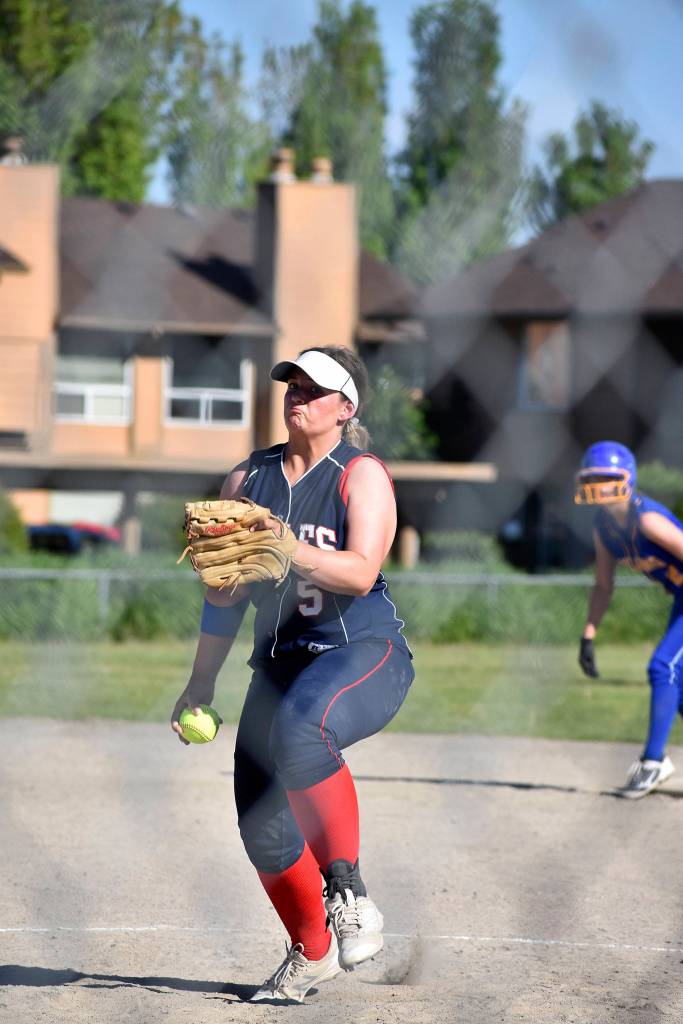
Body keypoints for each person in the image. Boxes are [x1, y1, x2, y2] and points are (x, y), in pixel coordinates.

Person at [172, 345, 414, 1002]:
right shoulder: (246, 479)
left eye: (315, 388)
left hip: (359, 653)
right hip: (276, 665)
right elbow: (223, 596)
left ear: (345, 408)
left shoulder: (358, 475)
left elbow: (360, 572)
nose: (297, 394)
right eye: (292, 384)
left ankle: (350, 896)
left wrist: (283, 544)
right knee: (261, 823)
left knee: (305, 729)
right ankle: (312, 953)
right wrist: (200, 684)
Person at [575, 440, 683, 799]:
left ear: (627, 479)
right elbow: (603, 585)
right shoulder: (604, 527)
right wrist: (588, 635)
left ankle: (653, 763)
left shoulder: (647, 520)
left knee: (662, 668)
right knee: (676, 689)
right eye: (592, 478)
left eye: (606, 476)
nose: (597, 484)